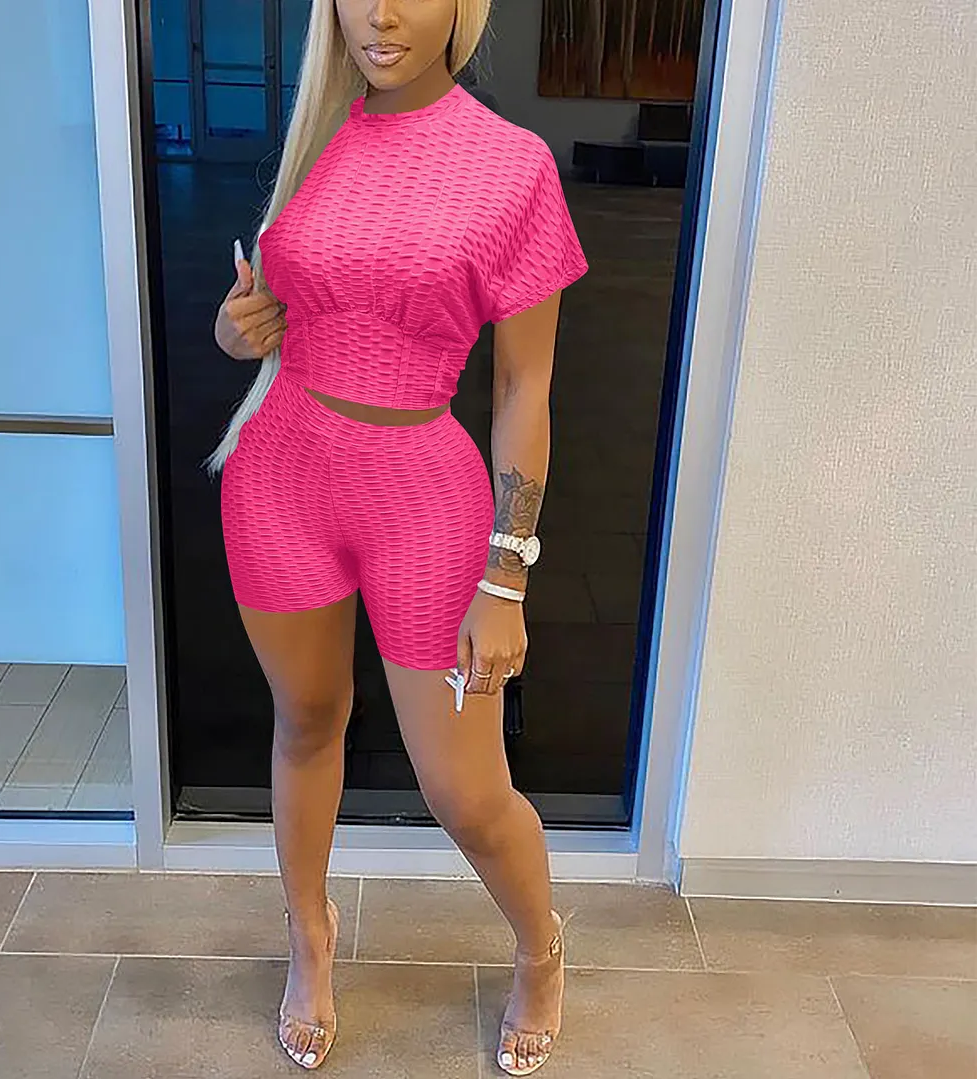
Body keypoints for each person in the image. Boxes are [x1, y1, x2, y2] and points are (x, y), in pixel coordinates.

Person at [206, 1, 588, 1073]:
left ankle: (541, 948)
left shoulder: (511, 167)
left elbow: (523, 388)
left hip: (423, 492)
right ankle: (310, 937)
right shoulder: (316, 133)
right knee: (305, 722)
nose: (380, 13)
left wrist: (507, 575)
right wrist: (236, 332)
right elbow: (282, 312)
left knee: (465, 789)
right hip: (280, 476)